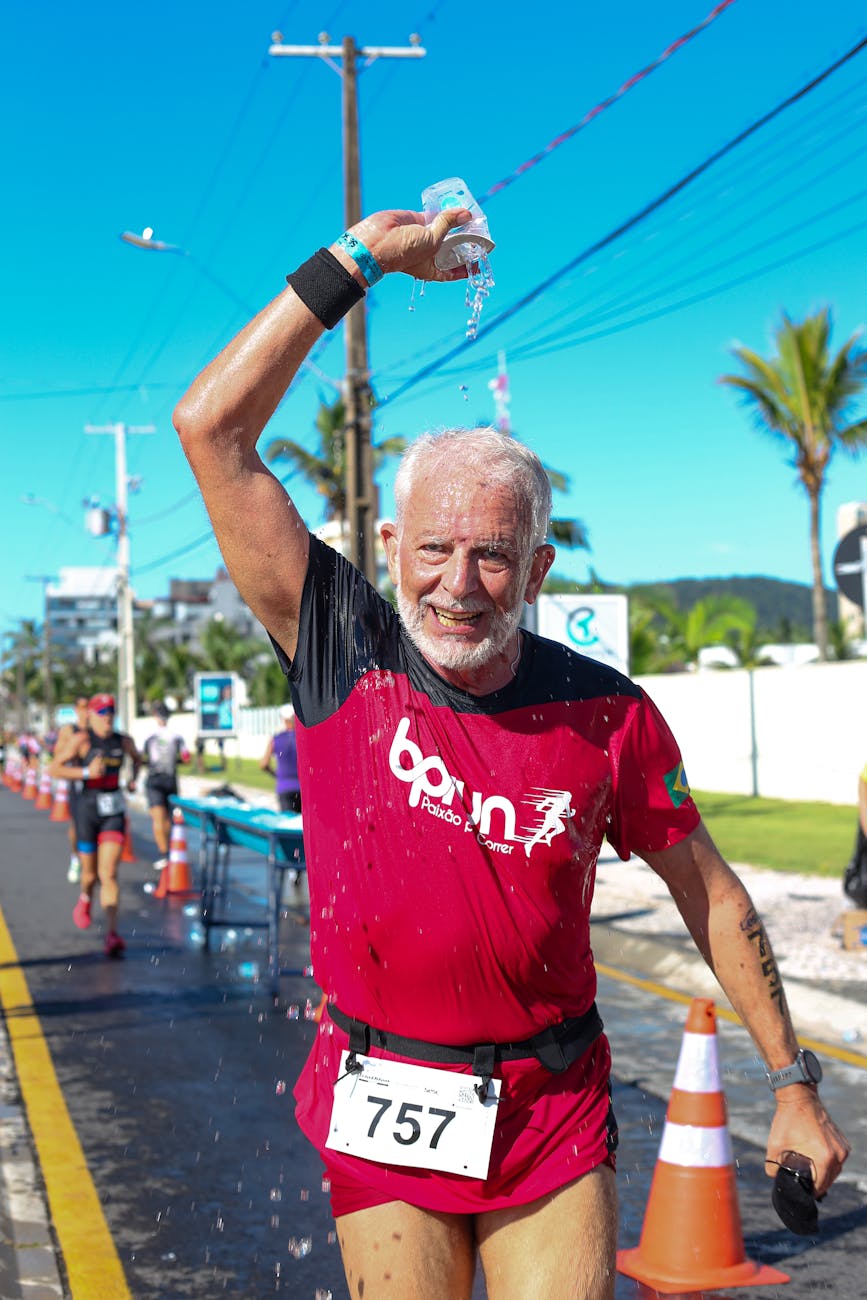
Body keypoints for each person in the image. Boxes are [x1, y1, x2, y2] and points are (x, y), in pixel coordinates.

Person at [174, 204, 850, 1298]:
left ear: (537, 570)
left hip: (553, 1108)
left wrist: (791, 1078)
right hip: (387, 1090)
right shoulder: (344, 642)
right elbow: (209, 427)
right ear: (391, 547)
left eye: (492, 555)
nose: (456, 583)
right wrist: (360, 262)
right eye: (433, 549)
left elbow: (713, 896)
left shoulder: (608, 714)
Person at [48, 694, 141, 958]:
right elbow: (54, 769)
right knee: (89, 876)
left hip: (113, 811)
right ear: (90, 714)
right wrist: (87, 773)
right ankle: (86, 898)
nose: (107, 716)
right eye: (101, 711)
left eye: (111, 710)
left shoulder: (123, 741)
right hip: (87, 810)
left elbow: (137, 759)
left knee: (109, 873)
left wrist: (133, 779)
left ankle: (112, 934)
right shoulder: (81, 740)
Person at [141, 701, 190, 870]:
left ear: (155, 715)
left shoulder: (149, 735)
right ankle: (169, 850)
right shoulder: (176, 736)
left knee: (158, 818)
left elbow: (142, 757)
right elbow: (186, 757)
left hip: (154, 780)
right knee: (168, 818)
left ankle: (164, 853)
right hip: (170, 779)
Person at [54, 697, 91, 882]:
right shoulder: (69, 731)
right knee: (76, 829)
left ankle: (93, 865)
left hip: (97, 788)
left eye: (89, 707)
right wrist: (73, 749)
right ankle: (76, 858)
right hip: (77, 785)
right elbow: (58, 757)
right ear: (77, 710)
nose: (86, 711)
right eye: (83, 707)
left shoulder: (97, 730)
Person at [260, 703, 302, 813]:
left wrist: (276, 774)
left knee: (288, 824)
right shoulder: (303, 738)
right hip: (303, 788)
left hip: (284, 787)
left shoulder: (276, 739)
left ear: (283, 719)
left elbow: (264, 764)